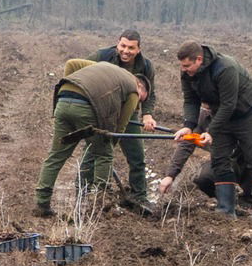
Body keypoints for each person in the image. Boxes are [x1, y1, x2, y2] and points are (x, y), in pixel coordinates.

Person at [34, 59, 147, 218]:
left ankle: (42, 203)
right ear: (141, 86)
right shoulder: (134, 90)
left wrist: (74, 93)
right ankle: (100, 205)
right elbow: (121, 127)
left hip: (63, 99)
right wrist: (107, 145)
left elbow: (72, 64)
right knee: (103, 155)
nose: (138, 104)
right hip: (87, 106)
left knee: (56, 155)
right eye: (141, 100)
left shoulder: (105, 68)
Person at [177, 42, 252, 222]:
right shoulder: (188, 73)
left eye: (187, 65)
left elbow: (229, 104)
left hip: (248, 111)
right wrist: (188, 125)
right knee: (220, 159)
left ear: (199, 59)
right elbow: (190, 101)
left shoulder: (225, 68)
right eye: (182, 66)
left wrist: (211, 131)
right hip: (221, 113)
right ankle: (226, 209)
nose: (184, 69)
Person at [89, 29, 159, 208]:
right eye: (123, 46)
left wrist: (147, 114)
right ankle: (86, 192)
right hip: (103, 113)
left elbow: (150, 94)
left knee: (137, 156)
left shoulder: (146, 66)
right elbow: (82, 78)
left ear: (139, 49)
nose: (126, 51)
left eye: (131, 48)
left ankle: (139, 196)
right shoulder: (101, 57)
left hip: (129, 113)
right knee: (93, 153)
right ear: (117, 43)